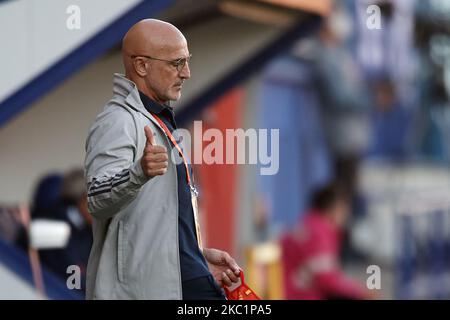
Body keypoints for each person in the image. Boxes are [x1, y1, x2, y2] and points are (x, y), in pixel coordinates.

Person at [84, 19, 240, 299]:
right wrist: (138, 173)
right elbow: (97, 199)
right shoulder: (117, 121)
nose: (187, 73)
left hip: (185, 281)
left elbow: (158, 221)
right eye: (177, 63)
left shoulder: (157, 119)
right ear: (142, 66)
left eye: (187, 61)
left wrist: (195, 256)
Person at [281, 182, 374, 300]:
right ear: (335, 208)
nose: (347, 214)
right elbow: (327, 279)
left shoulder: (310, 223)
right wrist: (361, 292)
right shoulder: (319, 232)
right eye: (345, 208)